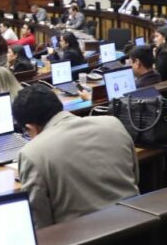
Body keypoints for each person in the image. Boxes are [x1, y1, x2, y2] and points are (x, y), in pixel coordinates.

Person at [13, 84, 139, 228]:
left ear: (30, 127)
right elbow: (134, 177)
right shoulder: (113, 123)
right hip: (138, 226)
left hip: (82, 244)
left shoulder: (31, 153)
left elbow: (40, 222)